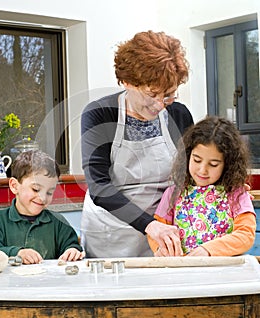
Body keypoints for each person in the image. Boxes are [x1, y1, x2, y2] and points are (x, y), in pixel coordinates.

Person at [80, 30, 194, 258]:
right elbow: (99, 186)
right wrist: (149, 224)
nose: (161, 104)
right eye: (152, 94)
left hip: (164, 233)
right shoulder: (100, 114)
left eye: (169, 95)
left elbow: (193, 172)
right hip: (111, 235)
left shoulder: (178, 115)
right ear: (128, 82)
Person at [148, 116, 256, 256]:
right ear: (188, 155)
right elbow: (158, 231)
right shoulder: (173, 193)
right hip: (182, 272)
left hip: (223, 272)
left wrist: (209, 250)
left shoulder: (236, 194)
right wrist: (160, 248)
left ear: (227, 165)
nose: (202, 170)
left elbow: (245, 235)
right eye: (197, 160)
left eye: (213, 164)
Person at [0, 150, 84, 264]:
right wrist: (18, 253)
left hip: (48, 281)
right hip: (10, 281)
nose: (43, 198)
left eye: (49, 192)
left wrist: (72, 251)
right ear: (14, 186)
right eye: (36, 189)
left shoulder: (58, 222)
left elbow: (72, 245)